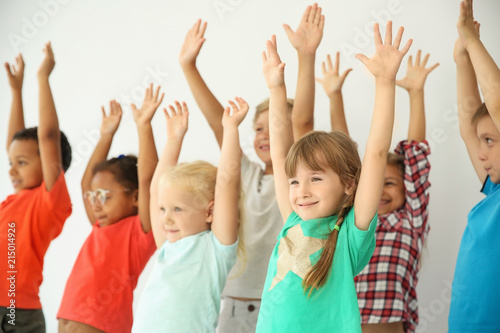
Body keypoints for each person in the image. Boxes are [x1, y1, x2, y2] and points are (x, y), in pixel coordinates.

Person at [256, 20, 412, 332]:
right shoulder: (292, 222)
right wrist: (275, 89)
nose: (302, 190)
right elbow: (278, 152)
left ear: (348, 184)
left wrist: (385, 84)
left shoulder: (349, 235)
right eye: (295, 181)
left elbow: (377, 151)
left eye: (315, 178)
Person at [178, 5, 323, 330]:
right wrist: (189, 67)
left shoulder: (299, 181)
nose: (264, 136)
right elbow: (220, 125)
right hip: (232, 305)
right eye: (258, 129)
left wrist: (306, 56)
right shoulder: (246, 174)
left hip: (280, 300)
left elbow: (304, 121)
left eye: (271, 127)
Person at [317, 49, 437, 332]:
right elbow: (343, 157)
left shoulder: (409, 221)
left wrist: (415, 92)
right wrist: (335, 95)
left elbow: (416, 155)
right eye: (376, 182)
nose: (380, 190)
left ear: (407, 190)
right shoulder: (354, 221)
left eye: (391, 182)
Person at [132, 98, 246, 332]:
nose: (165, 218)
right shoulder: (167, 245)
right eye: (163, 209)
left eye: (177, 209)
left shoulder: (216, 250)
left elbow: (227, 184)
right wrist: (174, 139)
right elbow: (156, 191)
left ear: (210, 211)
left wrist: (231, 130)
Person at [57, 85, 161, 333]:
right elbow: (86, 184)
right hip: (67, 319)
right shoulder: (100, 223)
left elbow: (149, 180)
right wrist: (106, 135)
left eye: (104, 196)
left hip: (102, 326)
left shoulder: (141, 231)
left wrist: (144, 126)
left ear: (135, 198)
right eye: (93, 196)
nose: (95, 203)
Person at [0, 43, 72, 332]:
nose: (11, 169)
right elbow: (15, 143)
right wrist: (16, 92)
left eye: (22, 162)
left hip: (18, 311)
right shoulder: (15, 200)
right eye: (11, 162)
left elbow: (48, 137)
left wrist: (42, 79)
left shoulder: (49, 202)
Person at [449, 0, 500, 331]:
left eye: (491, 141)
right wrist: (462, 59)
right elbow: (469, 126)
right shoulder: (494, 190)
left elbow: (496, 99)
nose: (481, 154)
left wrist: (473, 40)